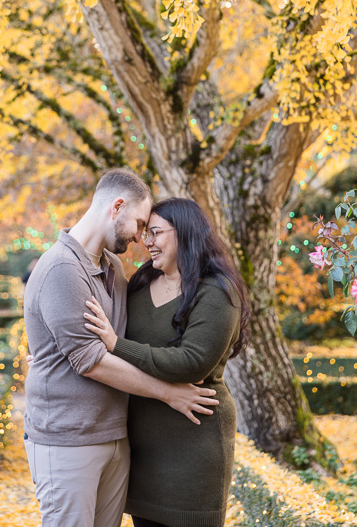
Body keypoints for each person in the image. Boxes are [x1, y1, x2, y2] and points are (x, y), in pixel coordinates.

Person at [23, 170, 220, 527]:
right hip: (68, 438)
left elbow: (122, 340)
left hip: (115, 434)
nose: (141, 237)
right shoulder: (61, 268)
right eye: (141, 223)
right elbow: (91, 361)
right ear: (117, 207)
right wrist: (169, 394)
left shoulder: (113, 267)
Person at [84, 197, 251, 527]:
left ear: (185, 233)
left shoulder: (217, 291)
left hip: (193, 446)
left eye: (155, 232)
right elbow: (98, 338)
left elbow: (192, 362)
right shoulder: (140, 284)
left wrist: (119, 346)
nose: (146, 241)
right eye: (145, 231)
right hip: (142, 451)